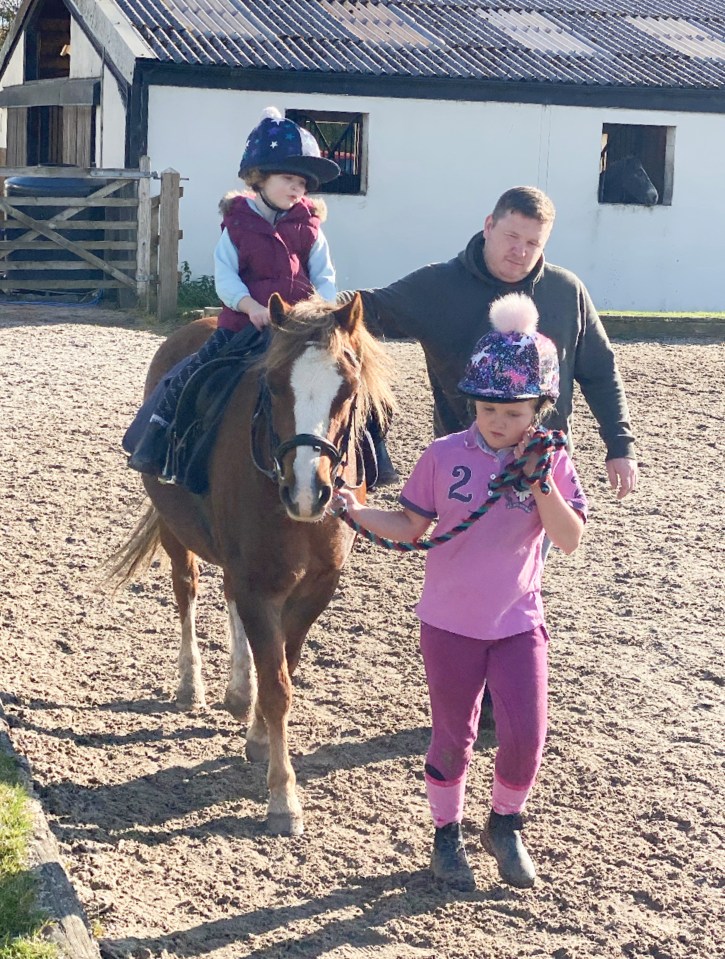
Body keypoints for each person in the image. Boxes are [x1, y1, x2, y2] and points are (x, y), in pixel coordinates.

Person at [334, 293, 587, 891]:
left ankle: (505, 824)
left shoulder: (553, 462)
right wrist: (358, 512)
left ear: (541, 410)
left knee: (526, 736)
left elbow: (569, 539)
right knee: (454, 736)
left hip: (518, 624)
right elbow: (410, 528)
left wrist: (541, 484)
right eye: (489, 408)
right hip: (448, 625)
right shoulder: (442, 455)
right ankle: (445, 836)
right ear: (471, 400)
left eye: (516, 412)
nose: (500, 422)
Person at [127, 106, 398, 483]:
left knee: (357, 383)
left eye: (303, 184)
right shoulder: (237, 225)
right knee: (191, 376)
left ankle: (375, 457)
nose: (297, 189)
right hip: (242, 326)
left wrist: (321, 314)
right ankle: (157, 444)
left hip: (301, 330)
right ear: (259, 178)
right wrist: (250, 306)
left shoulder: (310, 227)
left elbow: (325, 277)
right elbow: (225, 277)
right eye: (288, 178)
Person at [349, 185, 638, 499]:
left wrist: (620, 446)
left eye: (533, 243)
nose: (521, 251)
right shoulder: (437, 287)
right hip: (465, 469)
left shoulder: (566, 292)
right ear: (489, 226)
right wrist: (300, 314)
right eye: (512, 237)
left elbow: (601, 373)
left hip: (543, 468)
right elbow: (361, 310)